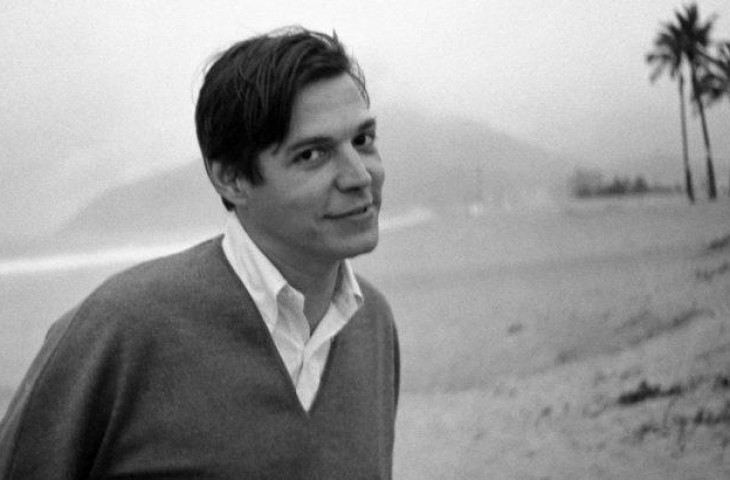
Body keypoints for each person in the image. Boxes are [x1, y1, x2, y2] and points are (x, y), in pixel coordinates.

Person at [0, 26, 399, 479]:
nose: (359, 176)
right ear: (231, 179)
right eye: (312, 154)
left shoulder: (373, 323)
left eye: (363, 140)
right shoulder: (122, 327)